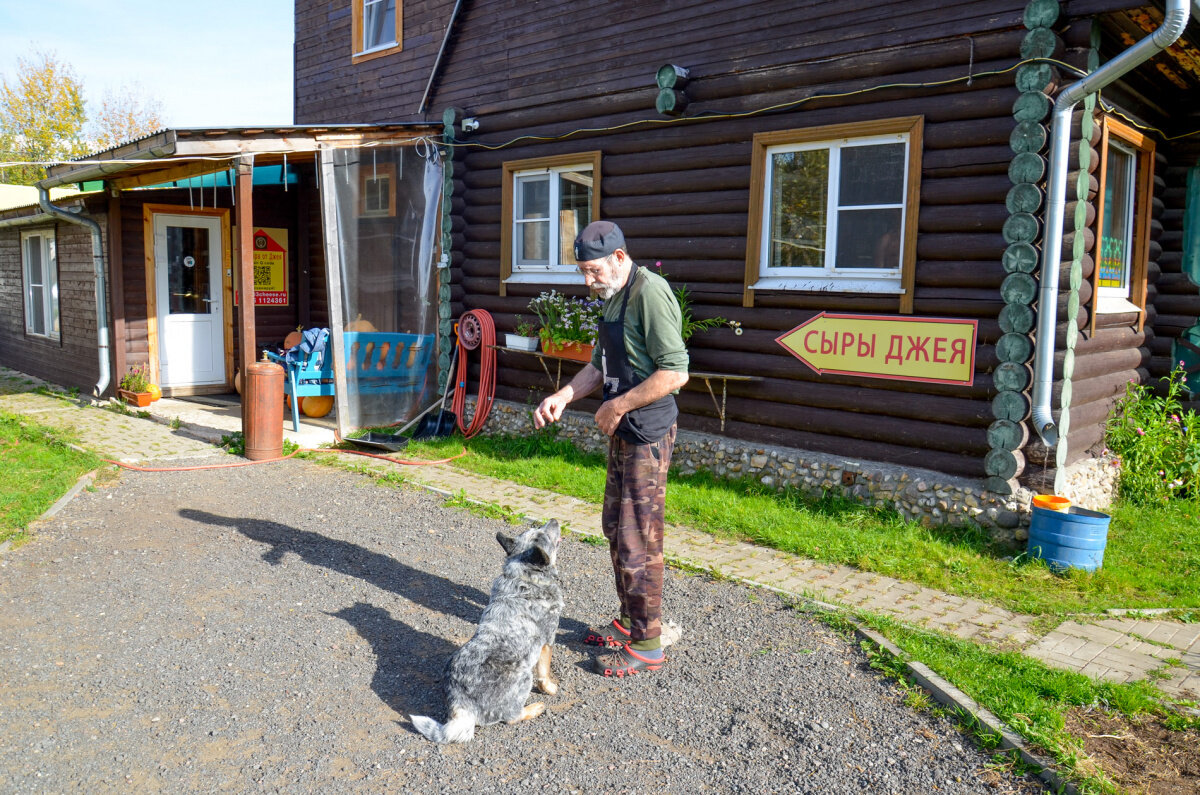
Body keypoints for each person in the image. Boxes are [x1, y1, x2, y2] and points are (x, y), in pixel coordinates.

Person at [533, 220, 689, 677]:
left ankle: (646, 644)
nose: (588, 280)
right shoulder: (613, 298)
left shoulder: (649, 294)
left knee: (638, 538)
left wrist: (618, 406)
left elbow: (675, 373)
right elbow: (601, 367)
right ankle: (628, 621)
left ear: (620, 257)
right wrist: (564, 395)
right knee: (615, 528)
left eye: (593, 270)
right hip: (623, 429)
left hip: (647, 433)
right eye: (582, 271)